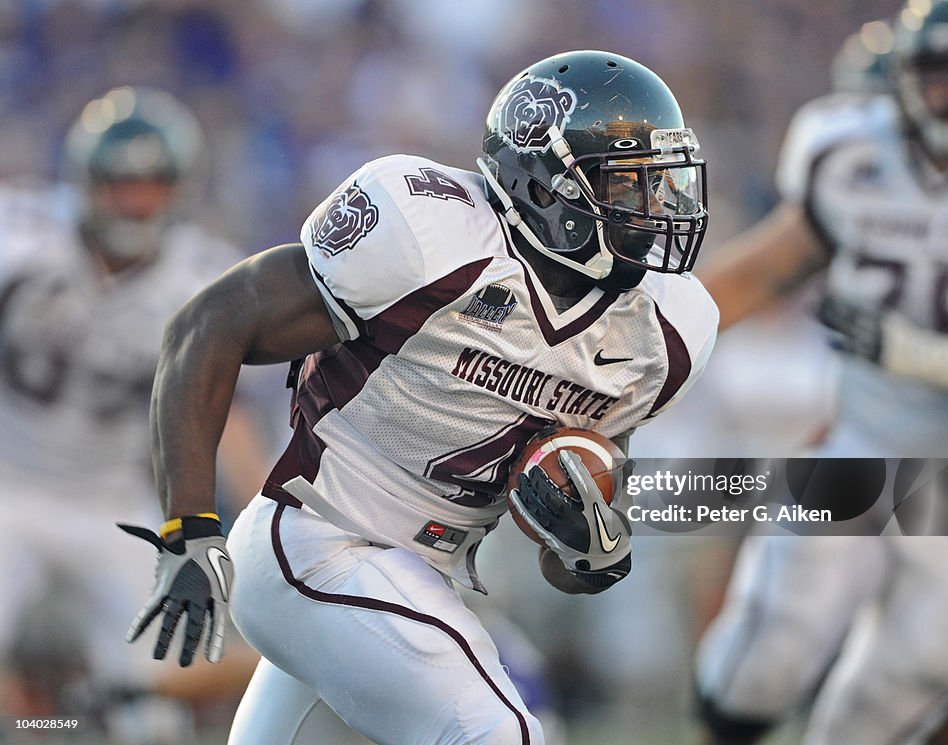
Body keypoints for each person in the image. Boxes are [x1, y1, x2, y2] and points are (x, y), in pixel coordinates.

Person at [119, 49, 719, 745]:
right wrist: (188, 529)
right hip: (318, 538)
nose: (655, 213)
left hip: (423, 578)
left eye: (661, 188)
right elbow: (208, 324)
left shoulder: (662, 333)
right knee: (502, 733)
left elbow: (567, 545)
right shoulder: (433, 236)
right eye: (626, 189)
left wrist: (594, 546)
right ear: (546, 186)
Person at [691, 1, 948, 744]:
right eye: (941, 68)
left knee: (899, 688)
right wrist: (654, 339)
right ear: (903, 76)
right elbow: (765, 268)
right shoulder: (850, 152)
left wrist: (915, 353)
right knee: (772, 641)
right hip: (862, 440)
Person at [0, 86, 267, 743]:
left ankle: (57, 715)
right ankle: (36, 718)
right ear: (86, 180)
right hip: (9, 482)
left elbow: (224, 414)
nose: (135, 200)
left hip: (113, 503)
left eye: (151, 183)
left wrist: (266, 519)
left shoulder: (196, 278)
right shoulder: (21, 239)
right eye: (120, 182)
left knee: (151, 711)